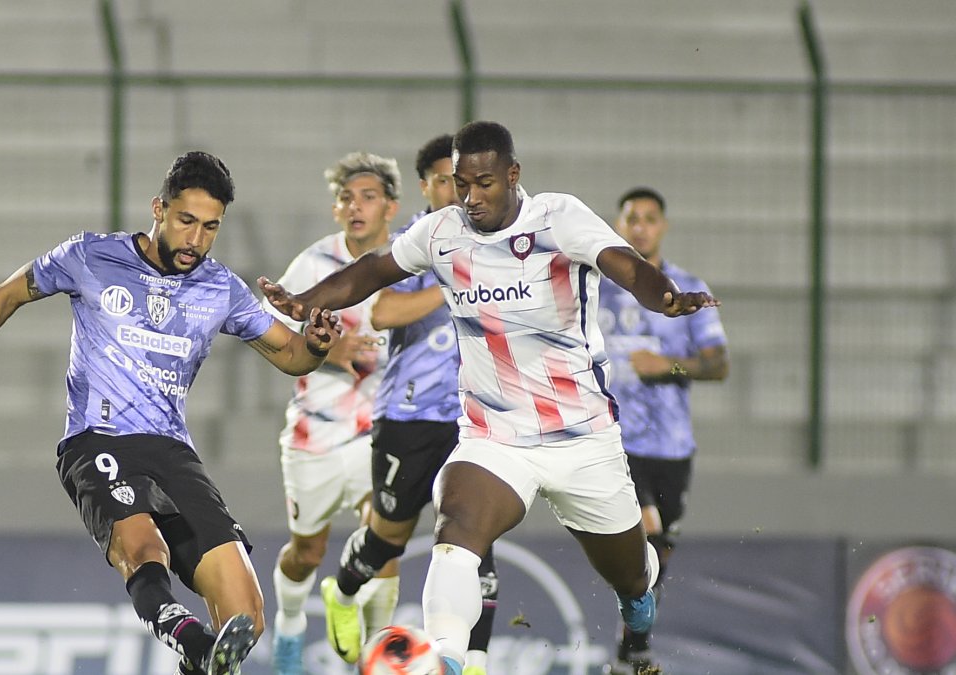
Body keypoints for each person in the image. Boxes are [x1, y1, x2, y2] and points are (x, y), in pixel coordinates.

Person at [257, 121, 719, 675]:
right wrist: (303, 301)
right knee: (456, 526)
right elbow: (374, 271)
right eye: (461, 184)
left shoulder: (557, 217)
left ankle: (637, 609)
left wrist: (661, 298)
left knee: (630, 577)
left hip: (582, 439)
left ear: (512, 175)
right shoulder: (442, 231)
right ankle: (447, 659)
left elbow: (623, 265)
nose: (470, 198)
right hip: (495, 435)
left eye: (484, 184)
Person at [0, 151, 342, 675]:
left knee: (247, 617)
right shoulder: (91, 256)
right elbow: (9, 294)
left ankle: (198, 660)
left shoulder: (220, 289)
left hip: (171, 450)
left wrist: (318, 344)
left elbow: (291, 355)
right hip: (96, 440)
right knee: (144, 548)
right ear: (159, 209)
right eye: (186, 221)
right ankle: (186, 637)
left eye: (210, 227)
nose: (196, 239)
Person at [319, 134, 500, 675]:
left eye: (463, 179)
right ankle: (343, 590)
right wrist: (457, 285)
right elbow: (384, 313)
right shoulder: (414, 241)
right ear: (425, 186)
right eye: (444, 179)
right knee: (385, 537)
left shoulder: (499, 241)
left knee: (475, 546)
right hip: (409, 417)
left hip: (476, 423)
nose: (456, 189)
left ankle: (475, 662)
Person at [267, 152, 400, 674]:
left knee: (385, 534)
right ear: (336, 209)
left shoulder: (408, 265)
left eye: (368, 196)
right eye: (347, 197)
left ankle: (379, 653)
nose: (356, 205)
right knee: (307, 551)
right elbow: (266, 330)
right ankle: (292, 625)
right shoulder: (313, 265)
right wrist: (328, 351)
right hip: (315, 434)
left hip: (380, 431)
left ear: (391, 206)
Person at [598, 187, 729, 675]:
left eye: (650, 218)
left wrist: (668, 366)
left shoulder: (688, 286)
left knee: (661, 548)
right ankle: (634, 648)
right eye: (631, 217)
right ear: (618, 225)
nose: (640, 227)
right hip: (616, 439)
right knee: (647, 530)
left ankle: (631, 647)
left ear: (663, 226)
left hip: (672, 445)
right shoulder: (596, 288)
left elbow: (718, 366)